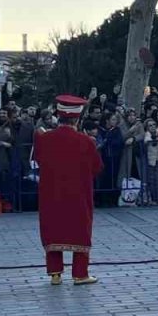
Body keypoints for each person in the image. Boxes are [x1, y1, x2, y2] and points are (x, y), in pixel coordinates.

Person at [34, 95, 103, 285]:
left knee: (53, 227)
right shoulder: (86, 141)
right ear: (77, 118)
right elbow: (97, 167)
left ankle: (55, 273)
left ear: (59, 115)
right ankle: (80, 273)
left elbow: (38, 160)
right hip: (78, 193)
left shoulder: (44, 139)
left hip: (51, 192)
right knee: (79, 228)